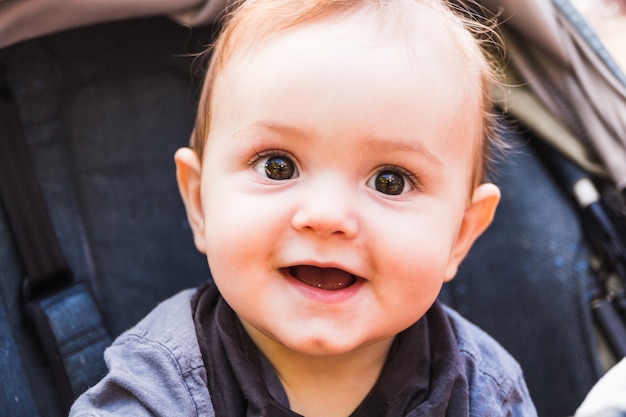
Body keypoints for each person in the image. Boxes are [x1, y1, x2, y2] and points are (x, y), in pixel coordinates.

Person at [69, 0, 537, 415]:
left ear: (460, 234)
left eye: (389, 181)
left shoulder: (483, 389)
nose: (327, 215)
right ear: (199, 203)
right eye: (277, 166)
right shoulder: (160, 386)